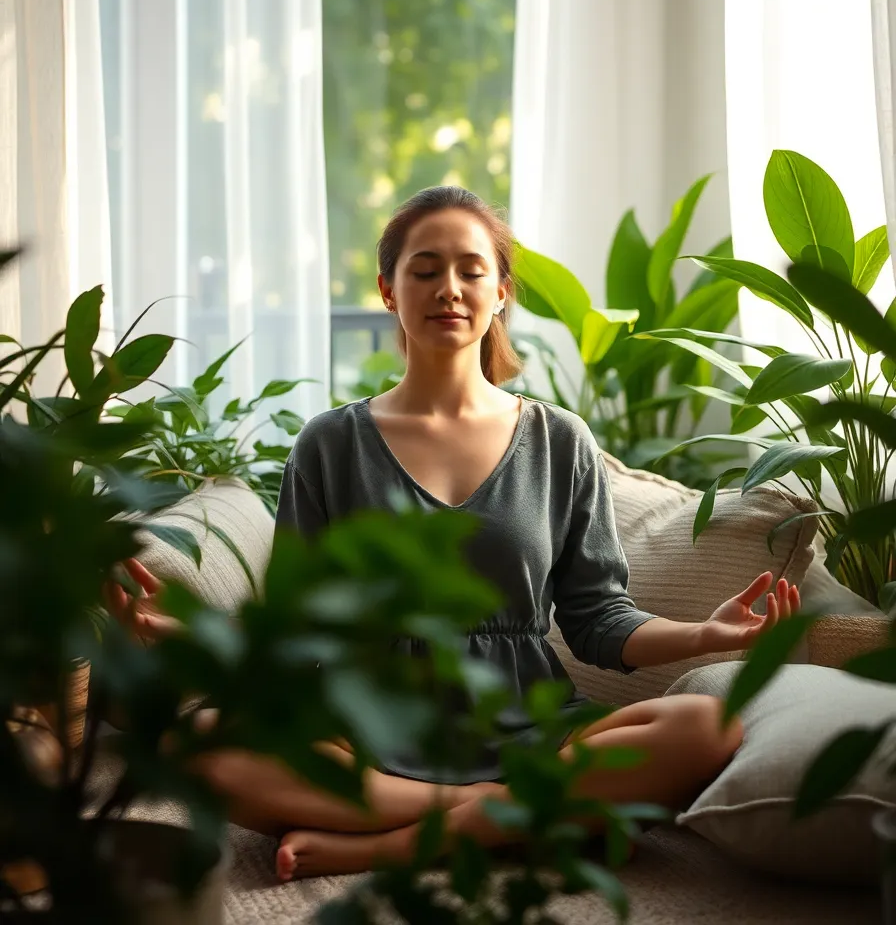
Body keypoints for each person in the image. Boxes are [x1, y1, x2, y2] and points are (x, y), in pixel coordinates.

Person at [107, 186, 800, 883]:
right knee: (202, 744)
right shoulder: (328, 445)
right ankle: (495, 814)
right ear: (387, 290)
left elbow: (598, 619)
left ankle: (401, 842)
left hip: (531, 725)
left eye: (471, 270)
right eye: (425, 269)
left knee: (708, 727)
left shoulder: (561, 441)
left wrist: (704, 635)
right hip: (366, 731)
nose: (449, 289)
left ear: (501, 292)